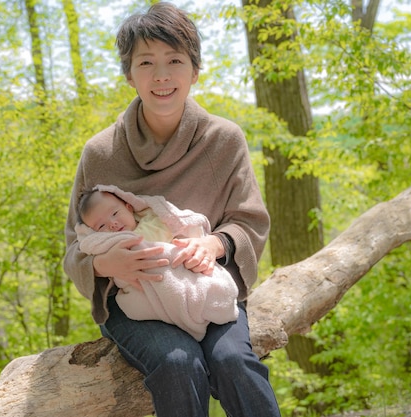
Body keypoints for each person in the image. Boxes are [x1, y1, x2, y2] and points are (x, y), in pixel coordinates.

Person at [62, 2, 281, 416]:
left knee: (234, 362)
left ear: (194, 71)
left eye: (174, 60)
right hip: (136, 298)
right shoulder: (100, 153)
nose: (161, 75)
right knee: (178, 362)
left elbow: (249, 220)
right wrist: (108, 265)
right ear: (129, 74)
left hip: (206, 287)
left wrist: (214, 245)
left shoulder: (224, 140)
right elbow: (75, 245)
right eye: (146, 62)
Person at [75, 184, 239, 341]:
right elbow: (87, 245)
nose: (112, 223)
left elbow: (185, 228)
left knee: (205, 284)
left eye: (115, 213)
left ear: (129, 207)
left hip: (180, 270)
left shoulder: (154, 220)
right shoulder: (113, 245)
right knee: (133, 305)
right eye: (101, 225)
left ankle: (205, 303)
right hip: (147, 290)